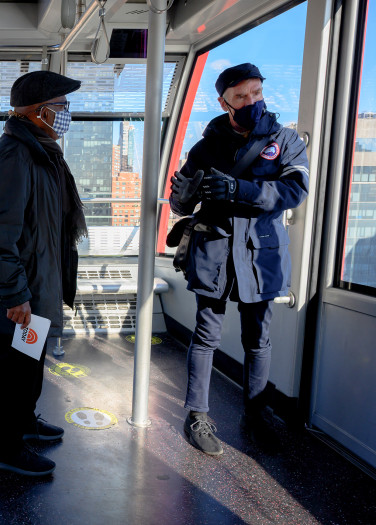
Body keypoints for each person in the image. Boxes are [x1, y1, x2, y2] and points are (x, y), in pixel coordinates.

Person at [169, 63, 309, 455]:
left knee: (257, 340)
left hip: (260, 255)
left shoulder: (286, 140)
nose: (251, 101)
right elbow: (180, 204)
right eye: (241, 96)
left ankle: (256, 414)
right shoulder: (206, 146)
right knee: (206, 336)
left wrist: (240, 188)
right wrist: (182, 193)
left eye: (256, 93)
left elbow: (294, 191)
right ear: (224, 102)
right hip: (214, 251)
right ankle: (196, 415)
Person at [0, 70, 87, 476]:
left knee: (31, 364)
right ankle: (5, 446)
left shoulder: (40, 150)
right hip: (21, 293)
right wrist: (16, 296)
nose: (67, 113)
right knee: (18, 370)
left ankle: (25, 423)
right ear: (38, 112)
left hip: (35, 283)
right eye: (61, 107)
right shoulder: (16, 156)